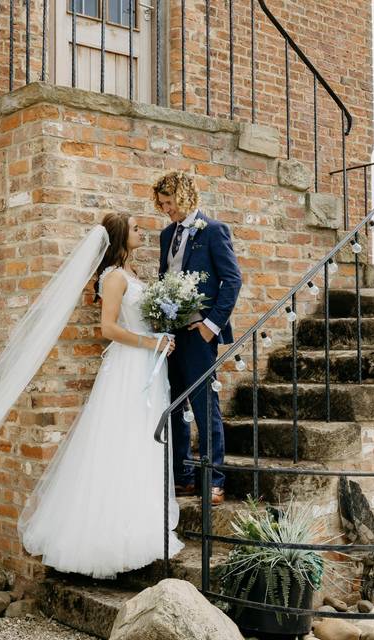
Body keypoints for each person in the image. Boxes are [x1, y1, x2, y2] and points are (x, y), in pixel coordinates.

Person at [17, 213, 184, 579]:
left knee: (144, 440)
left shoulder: (132, 275)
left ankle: (141, 519)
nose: (142, 232)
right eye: (136, 229)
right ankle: (112, 536)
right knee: (123, 439)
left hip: (145, 366)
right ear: (122, 237)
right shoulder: (113, 278)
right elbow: (108, 328)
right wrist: (151, 342)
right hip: (128, 367)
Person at [155, 171, 242, 506]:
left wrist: (210, 325)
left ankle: (214, 480)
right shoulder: (166, 235)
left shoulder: (214, 231)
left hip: (198, 334)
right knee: (174, 403)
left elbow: (232, 281)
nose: (166, 210)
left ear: (185, 197)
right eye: (162, 204)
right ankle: (183, 476)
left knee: (205, 406)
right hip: (171, 334)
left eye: (169, 203)